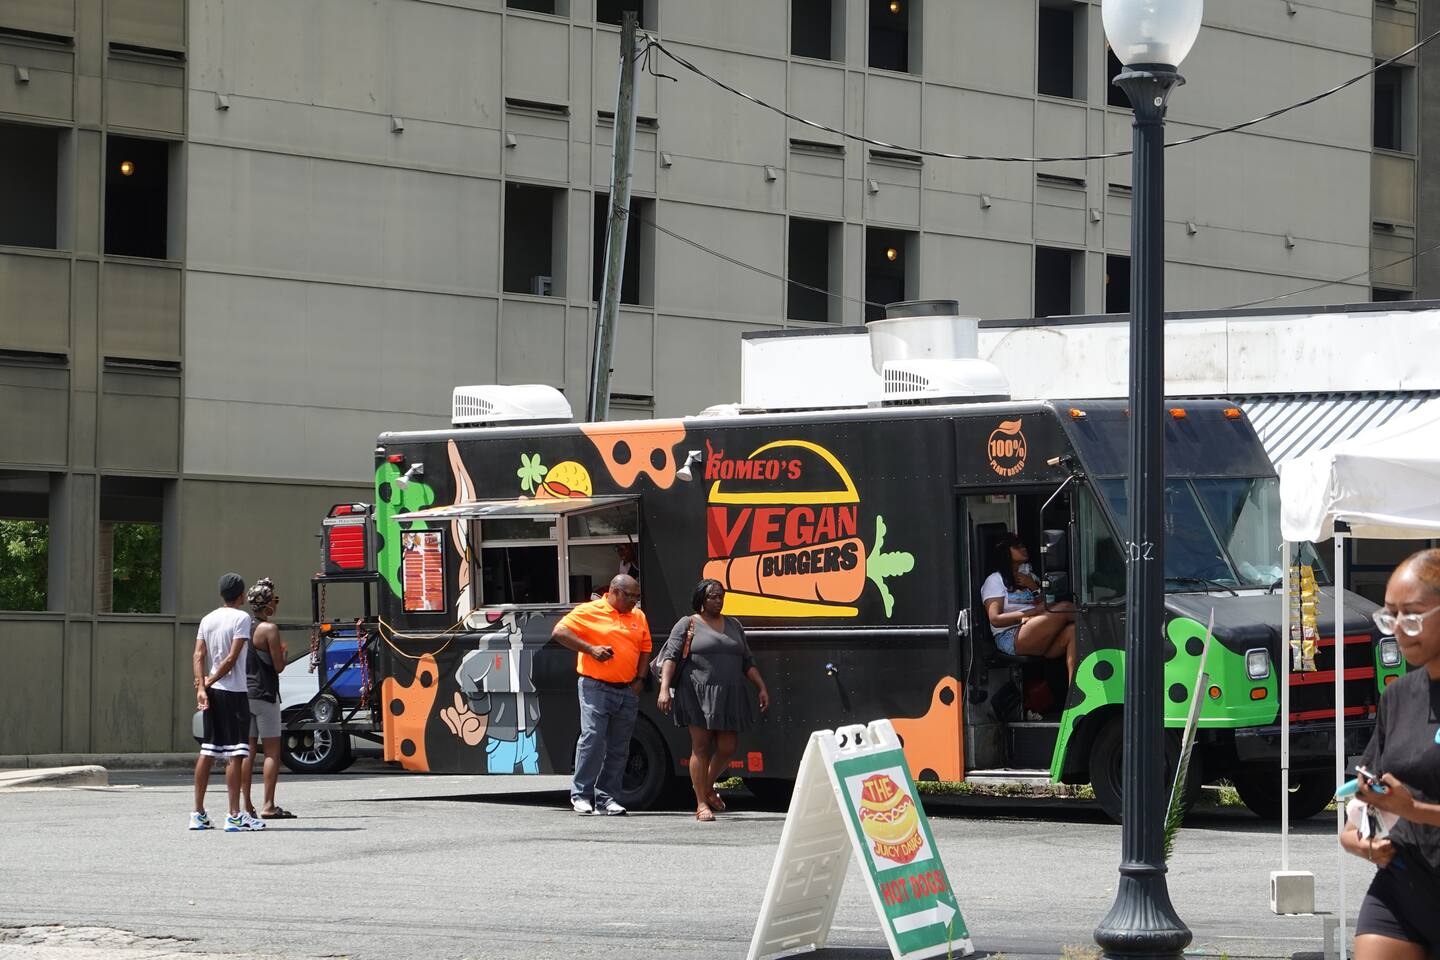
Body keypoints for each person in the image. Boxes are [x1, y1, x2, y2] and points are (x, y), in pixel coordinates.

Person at [1340, 549, 1440, 960]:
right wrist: (1357, 839)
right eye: (1390, 615)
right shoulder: (1397, 696)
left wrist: (1414, 810)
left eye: (1412, 616)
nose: (1398, 628)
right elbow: (1365, 795)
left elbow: (1407, 805)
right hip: (1401, 888)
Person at [656, 579, 770, 822]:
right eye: (713, 596)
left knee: (728, 747)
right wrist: (664, 689)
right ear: (701, 599)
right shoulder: (688, 624)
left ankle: (707, 787)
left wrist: (761, 686)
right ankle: (700, 803)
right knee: (701, 746)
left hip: (729, 693)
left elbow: (747, 661)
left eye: (721, 596)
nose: (718, 600)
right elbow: (670, 657)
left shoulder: (734, 625)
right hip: (696, 692)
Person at [551, 574, 651, 816]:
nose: (634, 602)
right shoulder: (590, 610)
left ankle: (607, 797)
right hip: (595, 686)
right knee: (593, 739)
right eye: (631, 596)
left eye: (637, 597)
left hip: (626, 689)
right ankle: (581, 795)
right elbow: (559, 632)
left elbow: (645, 648)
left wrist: (640, 679)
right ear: (615, 592)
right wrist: (590, 649)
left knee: (620, 746)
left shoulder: (638, 615)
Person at [191, 573, 264, 832]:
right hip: (233, 692)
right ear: (241, 595)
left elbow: (198, 654)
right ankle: (234, 815)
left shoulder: (207, 619)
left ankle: (198, 813)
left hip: (212, 692)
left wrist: (202, 687)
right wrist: (210, 681)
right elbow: (233, 657)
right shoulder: (241, 618)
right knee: (236, 753)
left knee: (208, 750)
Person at [981, 532, 1077, 680]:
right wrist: (1031, 613)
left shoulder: (1029, 577)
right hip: (1010, 636)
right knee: (1064, 608)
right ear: (1005, 552)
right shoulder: (995, 580)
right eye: (1017, 547)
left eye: (1023, 545)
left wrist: (1033, 586)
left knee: (1074, 631)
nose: (1024, 549)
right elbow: (995, 619)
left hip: (1035, 628)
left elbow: (1049, 604)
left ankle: (1074, 690)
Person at [240, 578, 294, 820]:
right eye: (275, 601)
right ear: (268, 605)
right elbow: (278, 666)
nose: (277, 605)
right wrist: (284, 653)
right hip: (265, 694)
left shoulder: (243, 626)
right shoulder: (269, 629)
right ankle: (268, 805)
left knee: (247, 751)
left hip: (244, 693)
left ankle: (246, 804)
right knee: (272, 752)